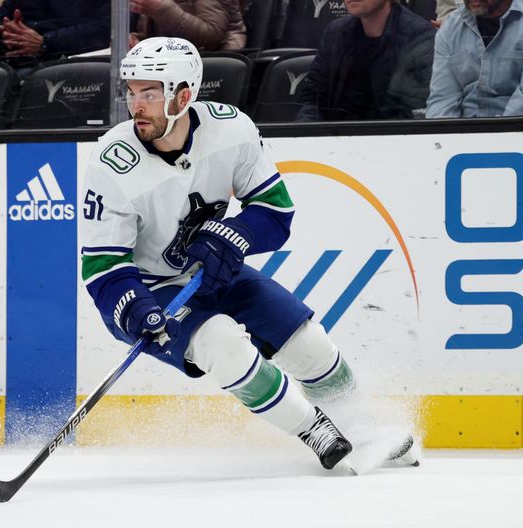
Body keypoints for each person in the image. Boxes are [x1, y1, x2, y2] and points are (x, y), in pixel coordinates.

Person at [80, 36, 418, 471]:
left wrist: (234, 233)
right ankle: (313, 429)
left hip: (214, 273)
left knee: (307, 342)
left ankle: (364, 426)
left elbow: (275, 213)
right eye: (131, 92)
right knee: (222, 341)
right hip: (149, 291)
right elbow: (103, 268)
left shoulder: (231, 129)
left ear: (183, 96)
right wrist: (135, 308)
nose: (136, 105)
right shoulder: (111, 164)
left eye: (149, 93)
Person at [296, 0, 436, 121]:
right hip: (336, 140)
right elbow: (313, 97)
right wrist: (308, 136)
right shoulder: (336, 32)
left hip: (391, 141)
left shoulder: (420, 38)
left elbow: (414, 114)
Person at [426, 0, 523, 117]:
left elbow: (519, 109)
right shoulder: (451, 27)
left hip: (514, 129)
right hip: (464, 129)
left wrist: (497, 133)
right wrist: (443, 133)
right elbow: (442, 100)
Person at [0, 0, 110, 59]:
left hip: (77, 65)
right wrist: (12, 36)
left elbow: (106, 28)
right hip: (21, 63)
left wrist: (45, 41)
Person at [129, 0, 247, 50]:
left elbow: (211, 36)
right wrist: (136, 41)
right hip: (174, 58)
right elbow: (156, 34)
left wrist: (159, 9)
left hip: (216, 59)